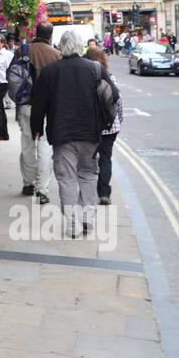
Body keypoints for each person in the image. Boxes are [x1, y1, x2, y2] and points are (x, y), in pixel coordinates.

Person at [30, 28, 119, 239]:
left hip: (62, 134)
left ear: (61, 46)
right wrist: (104, 124)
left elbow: (38, 104)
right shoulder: (96, 68)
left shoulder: (50, 71)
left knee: (67, 179)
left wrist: (37, 129)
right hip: (90, 133)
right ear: (81, 47)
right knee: (88, 174)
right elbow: (113, 96)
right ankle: (87, 217)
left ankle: (73, 226)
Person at [16, 21, 60, 204]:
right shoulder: (57, 55)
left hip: (26, 105)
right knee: (45, 146)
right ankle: (42, 189)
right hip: (48, 108)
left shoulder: (23, 50)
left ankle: (28, 183)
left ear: (36, 32)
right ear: (50, 36)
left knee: (27, 144)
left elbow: (11, 76)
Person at [87, 43, 123, 204]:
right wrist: (119, 121)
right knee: (106, 158)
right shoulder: (111, 77)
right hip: (110, 126)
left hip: (91, 126)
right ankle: (104, 193)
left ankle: (88, 189)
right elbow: (119, 102)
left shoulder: (85, 78)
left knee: (90, 158)